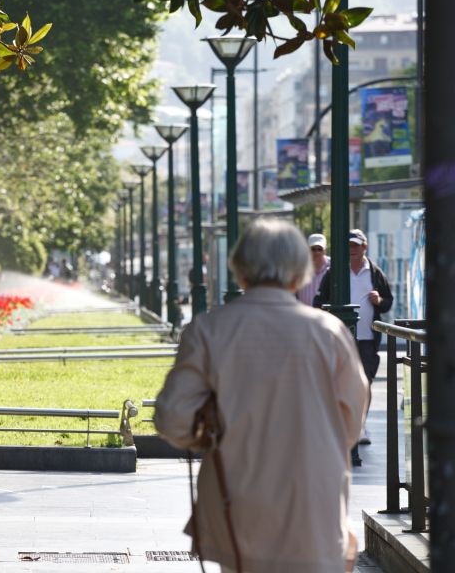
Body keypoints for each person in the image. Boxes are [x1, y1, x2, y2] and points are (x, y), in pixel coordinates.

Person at [155, 218, 368, 573]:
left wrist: (205, 432)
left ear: (241, 268)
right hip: (314, 499)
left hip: (236, 499)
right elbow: (351, 421)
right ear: (299, 269)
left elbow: (173, 418)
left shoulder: (208, 330)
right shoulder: (328, 332)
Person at [315, 229, 393, 445]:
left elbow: (388, 300)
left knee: (365, 382)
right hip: (339, 339)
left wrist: (379, 301)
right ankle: (341, 425)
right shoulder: (335, 272)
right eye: (348, 246)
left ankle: (360, 426)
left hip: (367, 338)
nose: (352, 250)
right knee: (338, 382)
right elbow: (318, 302)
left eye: (356, 245)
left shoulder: (375, 273)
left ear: (364, 247)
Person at [296, 233, 330, 306]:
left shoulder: (332, 267)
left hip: (325, 314)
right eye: (313, 249)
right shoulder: (299, 267)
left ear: (325, 250)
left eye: (320, 249)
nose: (317, 252)